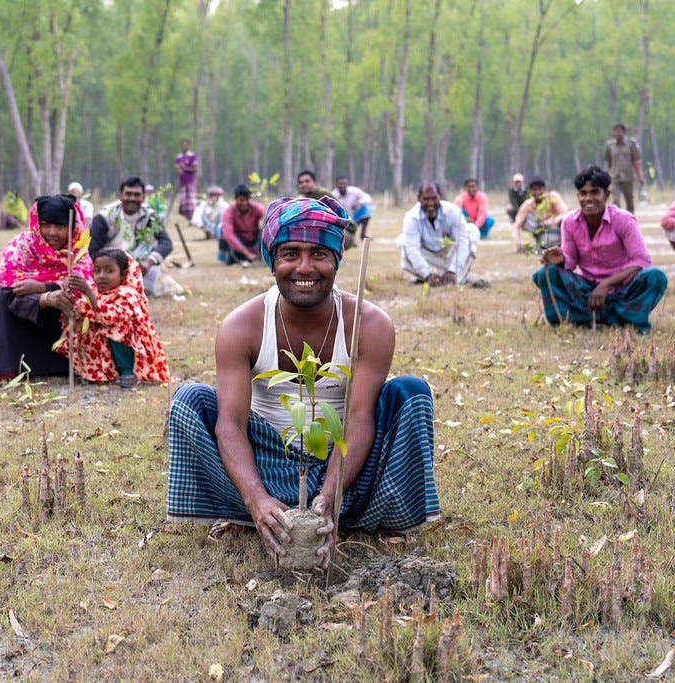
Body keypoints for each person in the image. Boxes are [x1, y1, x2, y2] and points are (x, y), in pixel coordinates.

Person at [166, 195, 440, 564]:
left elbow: (359, 421)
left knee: (411, 393)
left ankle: (357, 515)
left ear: (336, 261)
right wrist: (256, 498)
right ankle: (252, 512)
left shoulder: (370, 324)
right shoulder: (241, 326)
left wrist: (329, 497)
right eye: (290, 253)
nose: (305, 267)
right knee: (190, 401)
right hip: (265, 458)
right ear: (273, 261)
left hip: (346, 467)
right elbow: (231, 425)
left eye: (319, 254)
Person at [0, 195, 96, 381]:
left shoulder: (78, 254)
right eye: (46, 225)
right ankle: (4, 367)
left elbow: (82, 286)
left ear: (72, 227)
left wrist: (42, 287)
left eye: (60, 227)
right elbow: (10, 288)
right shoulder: (20, 247)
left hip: (55, 326)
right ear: (37, 224)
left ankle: (64, 363)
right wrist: (45, 298)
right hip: (18, 318)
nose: (52, 232)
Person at [533, 165, 666, 334]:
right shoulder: (569, 222)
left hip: (622, 290)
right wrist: (560, 260)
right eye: (583, 193)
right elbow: (570, 261)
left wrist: (606, 284)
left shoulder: (623, 220)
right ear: (578, 196)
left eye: (594, 192)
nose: (588, 198)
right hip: (588, 292)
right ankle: (573, 320)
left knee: (656, 277)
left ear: (606, 195)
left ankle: (623, 317)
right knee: (545, 274)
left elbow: (642, 261)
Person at [68, 249, 170, 389]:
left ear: (123, 275)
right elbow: (82, 309)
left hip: (128, 346)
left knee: (116, 330)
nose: (101, 276)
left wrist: (88, 293)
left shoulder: (128, 294)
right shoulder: (95, 290)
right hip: (103, 345)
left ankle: (128, 371)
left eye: (109, 271)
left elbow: (111, 317)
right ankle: (99, 371)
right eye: (97, 271)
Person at [90, 177, 173, 297]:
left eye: (137, 195)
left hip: (141, 267)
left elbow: (166, 243)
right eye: (128, 194)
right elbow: (92, 249)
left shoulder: (150, 216)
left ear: (143, 197)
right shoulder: (105, 216)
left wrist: (148, 263)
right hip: (109, 266)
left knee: (148, 289)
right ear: (120, 196)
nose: (132, 198)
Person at [398, 183, 476, 286]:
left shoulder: (453, 212)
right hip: (428, 257)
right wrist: (427, 274)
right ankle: (429, 278)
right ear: (419, 198)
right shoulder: (411, 217)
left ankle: (455, 276)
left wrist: (453, 270)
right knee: (402, 242)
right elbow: (412, 248)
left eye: (434, 198)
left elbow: (462, 242)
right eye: (426, 199)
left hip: (449, 255)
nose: (430, 203)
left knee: (472, 232)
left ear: (440, 196)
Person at [511, 178, 569, 252]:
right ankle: (542, 244)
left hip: (557, 230)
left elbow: (565, 214)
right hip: (541, 232)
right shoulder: (528, 204)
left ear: (544, 189)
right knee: (525, 218)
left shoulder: (553, 197)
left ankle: (563, 244)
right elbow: (516, 225)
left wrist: (550, 221)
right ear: (530, 191)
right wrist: (518, 244)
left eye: (540, 189)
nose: (537, 192)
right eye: (534, 190)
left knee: (565, 220)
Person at [219, 185, 265, 266]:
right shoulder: (229, 212)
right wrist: (246, 253)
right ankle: (239, 257)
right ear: (235, 199)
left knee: (265, 227)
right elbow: (228, 234)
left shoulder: (256, 208)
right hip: (238, 243)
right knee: (222, 231)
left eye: (246, 200)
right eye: (241, 200)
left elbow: (265, 215)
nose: (244, 203)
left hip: (254, 241)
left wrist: (262, 222)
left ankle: (260, 254)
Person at [603, 123, 645, 214]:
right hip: (615, 178)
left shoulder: (631, 145)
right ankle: (617, 220)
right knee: (616, 200)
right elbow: (609, 162)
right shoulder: (610, 146)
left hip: (628, 177)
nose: (617, 133)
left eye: (619, 131)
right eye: (615, 131)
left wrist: (640, 176)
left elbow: (636, 161)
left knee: (629, 201)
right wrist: (607, 177)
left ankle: (630, 220)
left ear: (624, 132)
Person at [176, 138, 199, 223]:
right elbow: (178, 169)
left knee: (192, 203)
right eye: (183, 145)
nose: (184, 146)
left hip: (190, 181)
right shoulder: (179, 157)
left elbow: (194, 169)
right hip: (182, 182)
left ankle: (193, 219)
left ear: (188, 146)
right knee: (183, 203)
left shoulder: (192, 156)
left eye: (186, 145)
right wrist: (179, 171)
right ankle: (187, 219)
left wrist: (184, 168)